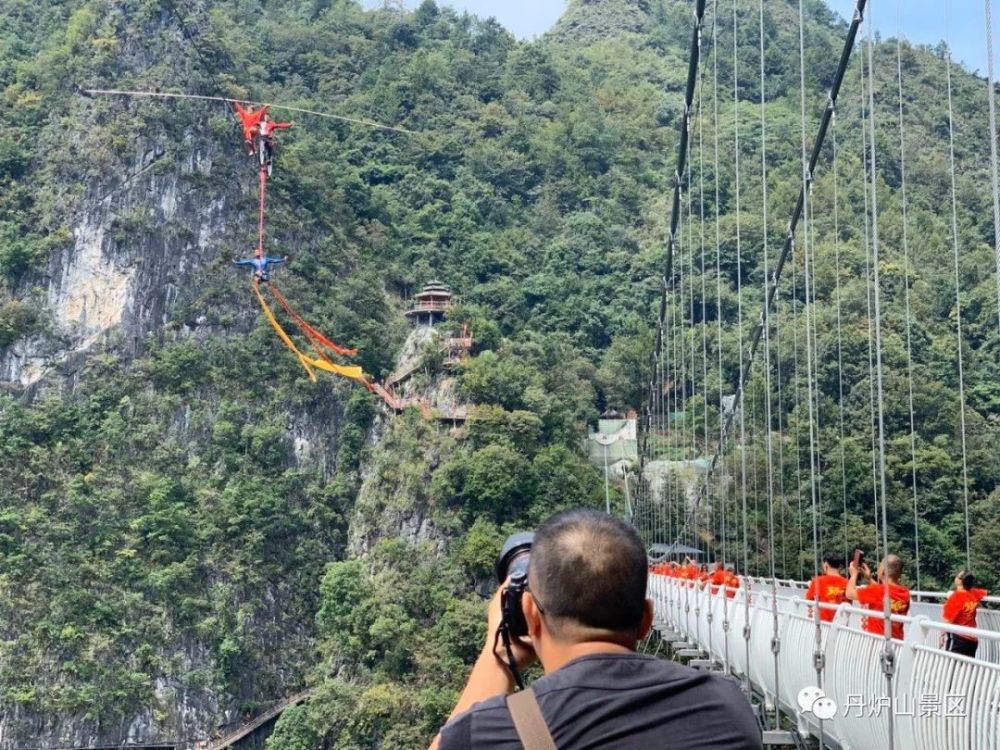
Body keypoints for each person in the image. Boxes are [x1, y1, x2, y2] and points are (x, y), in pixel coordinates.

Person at [431, 509, 763, 750]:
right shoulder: (728, 708)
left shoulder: (494, 731)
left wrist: (500, 655)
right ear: (646, 619)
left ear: (531, 615)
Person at [845, 554, 911, 640]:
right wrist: (869, 579)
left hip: (878, 643)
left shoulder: (877, 590)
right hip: (897, 643)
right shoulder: (905, 593)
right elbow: (885, 592)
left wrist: (853, 574)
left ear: (883, 570)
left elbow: (849, 594)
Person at [942, 571, 988, 657]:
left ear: (959, 581)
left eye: (957, 576)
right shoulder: (974, 593)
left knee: (951, 666)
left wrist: (941, 636)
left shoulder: (955, 597)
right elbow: (985, 593)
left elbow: (947, 621)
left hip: (958, 638)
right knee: (968, 668)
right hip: (972, 639)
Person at [805, 553, 848, 623]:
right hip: (841, 626)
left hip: (823, 624)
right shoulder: (847, 583)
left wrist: (811, 587)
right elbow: (848, 604)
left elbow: (809, 602)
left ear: (826, 564)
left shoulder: (817, 581)